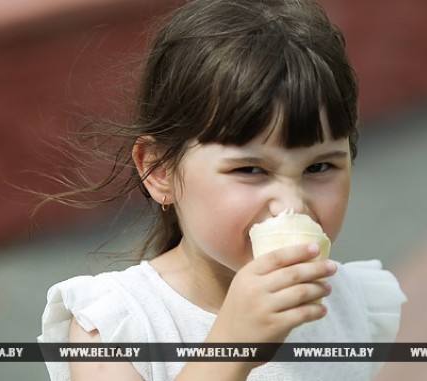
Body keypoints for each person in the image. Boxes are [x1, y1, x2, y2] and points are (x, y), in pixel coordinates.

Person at [37, 0, 406, 380]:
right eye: (250, 169)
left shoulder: (352, 303)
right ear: (160, 170)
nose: (291, 206)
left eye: (319, 167)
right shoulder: (116, 325)